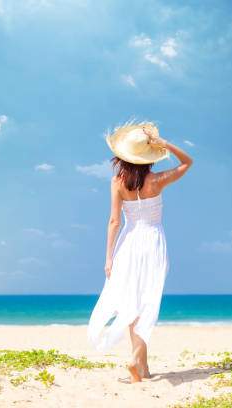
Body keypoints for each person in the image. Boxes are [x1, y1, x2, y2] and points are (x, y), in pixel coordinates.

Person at [86, 121, 193, 383]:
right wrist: (164, 144)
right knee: (147, 300)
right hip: (153, 242)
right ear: (147, 157)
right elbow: (187, 162)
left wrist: (108, 257)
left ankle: (142, 367)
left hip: (128, 243)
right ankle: (136, 361)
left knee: (132, 302)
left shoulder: (116, 182)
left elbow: (114, 221)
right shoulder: (157, 179)